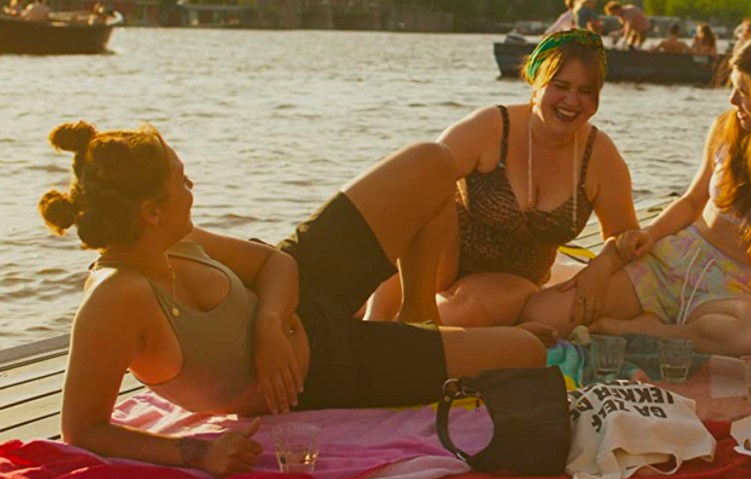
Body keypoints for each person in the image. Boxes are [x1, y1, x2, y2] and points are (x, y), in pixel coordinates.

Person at [42, 122, 544, 477]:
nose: (192, 189)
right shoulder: (116, 296)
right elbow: (82, 426)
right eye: (182, 181)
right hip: (329, 366)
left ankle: (418, 316)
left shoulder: (171, 238)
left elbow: (275, 264)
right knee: (527, 353)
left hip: (302, 288)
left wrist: (270, 327)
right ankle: (404, 339)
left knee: (434, 163)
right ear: (151, 211)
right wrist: (195, 453)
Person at [521, 32, 751, 356]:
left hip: (728, 289)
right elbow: (693, 201)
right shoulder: (729, 127)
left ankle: (649, 332)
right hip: (669, 262)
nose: (733, 100)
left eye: (744, 91)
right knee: (543, 315)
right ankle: (658, 328)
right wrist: (646, 238)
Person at [365, 29, 640, 338]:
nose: (572, 101)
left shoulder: (600, 156)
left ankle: (398, 340)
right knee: (424, 193)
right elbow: (412, 184)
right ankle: (372, 325)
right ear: (535, 84)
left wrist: (600, 269)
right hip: (438, 261)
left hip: (509, 283)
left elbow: (625, 235)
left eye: (586, 90)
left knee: (472, 307)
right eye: (560, 86)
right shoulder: (490, 128)